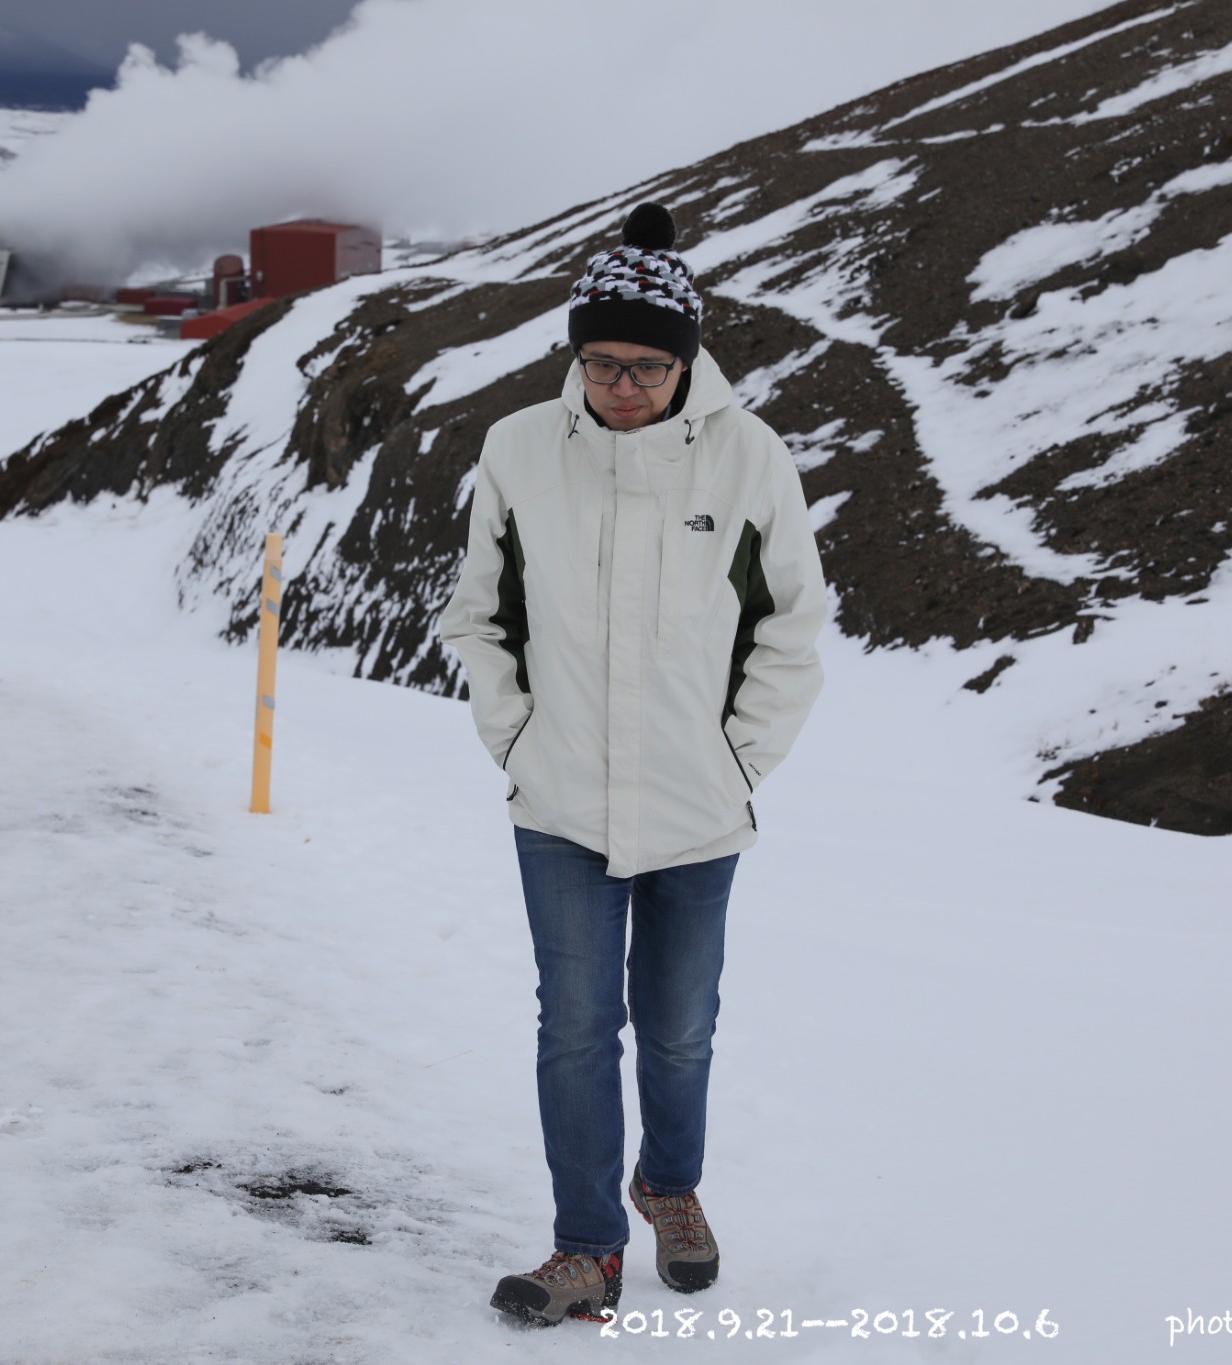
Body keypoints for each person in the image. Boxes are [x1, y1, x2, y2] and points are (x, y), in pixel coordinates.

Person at [439, 203, 828, 1327]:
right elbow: (480, 614)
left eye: (645, 367)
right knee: (572, 1026)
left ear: (686, 361)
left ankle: (668, 1186)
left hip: (696, 808)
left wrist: (735, 758)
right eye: (599, 362)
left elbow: (790, 625)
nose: (620, 386)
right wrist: (513, 735)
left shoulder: (749, 456)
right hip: (558, 801)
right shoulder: (518, 449)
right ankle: (586, 1250)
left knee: (677, 1025)